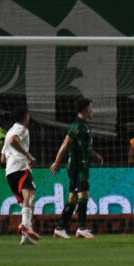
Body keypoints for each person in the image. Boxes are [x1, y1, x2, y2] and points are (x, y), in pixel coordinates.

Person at [49, 98, 104, 239]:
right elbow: (66, 143)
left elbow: (84, 147)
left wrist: (96, 155)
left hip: (80, 164)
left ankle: (60, 228)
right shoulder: (77, 126)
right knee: (83, 195)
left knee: (73, 198)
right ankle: (81, 228)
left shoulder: (84, 125)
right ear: (86, 109)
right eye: (91, 108)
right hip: (78, 165)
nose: (92, 111)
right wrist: (57, 162)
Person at [0, 106, 41, 245]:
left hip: (10, 172)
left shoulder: (8, 131)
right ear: (25, 117)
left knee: (27, 199)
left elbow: (2, 159)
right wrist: (27, 154)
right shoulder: (22, 129)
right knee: (30, 194)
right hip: (21, 167)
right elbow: (13, 140)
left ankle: (26, 237)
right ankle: (26, 224)